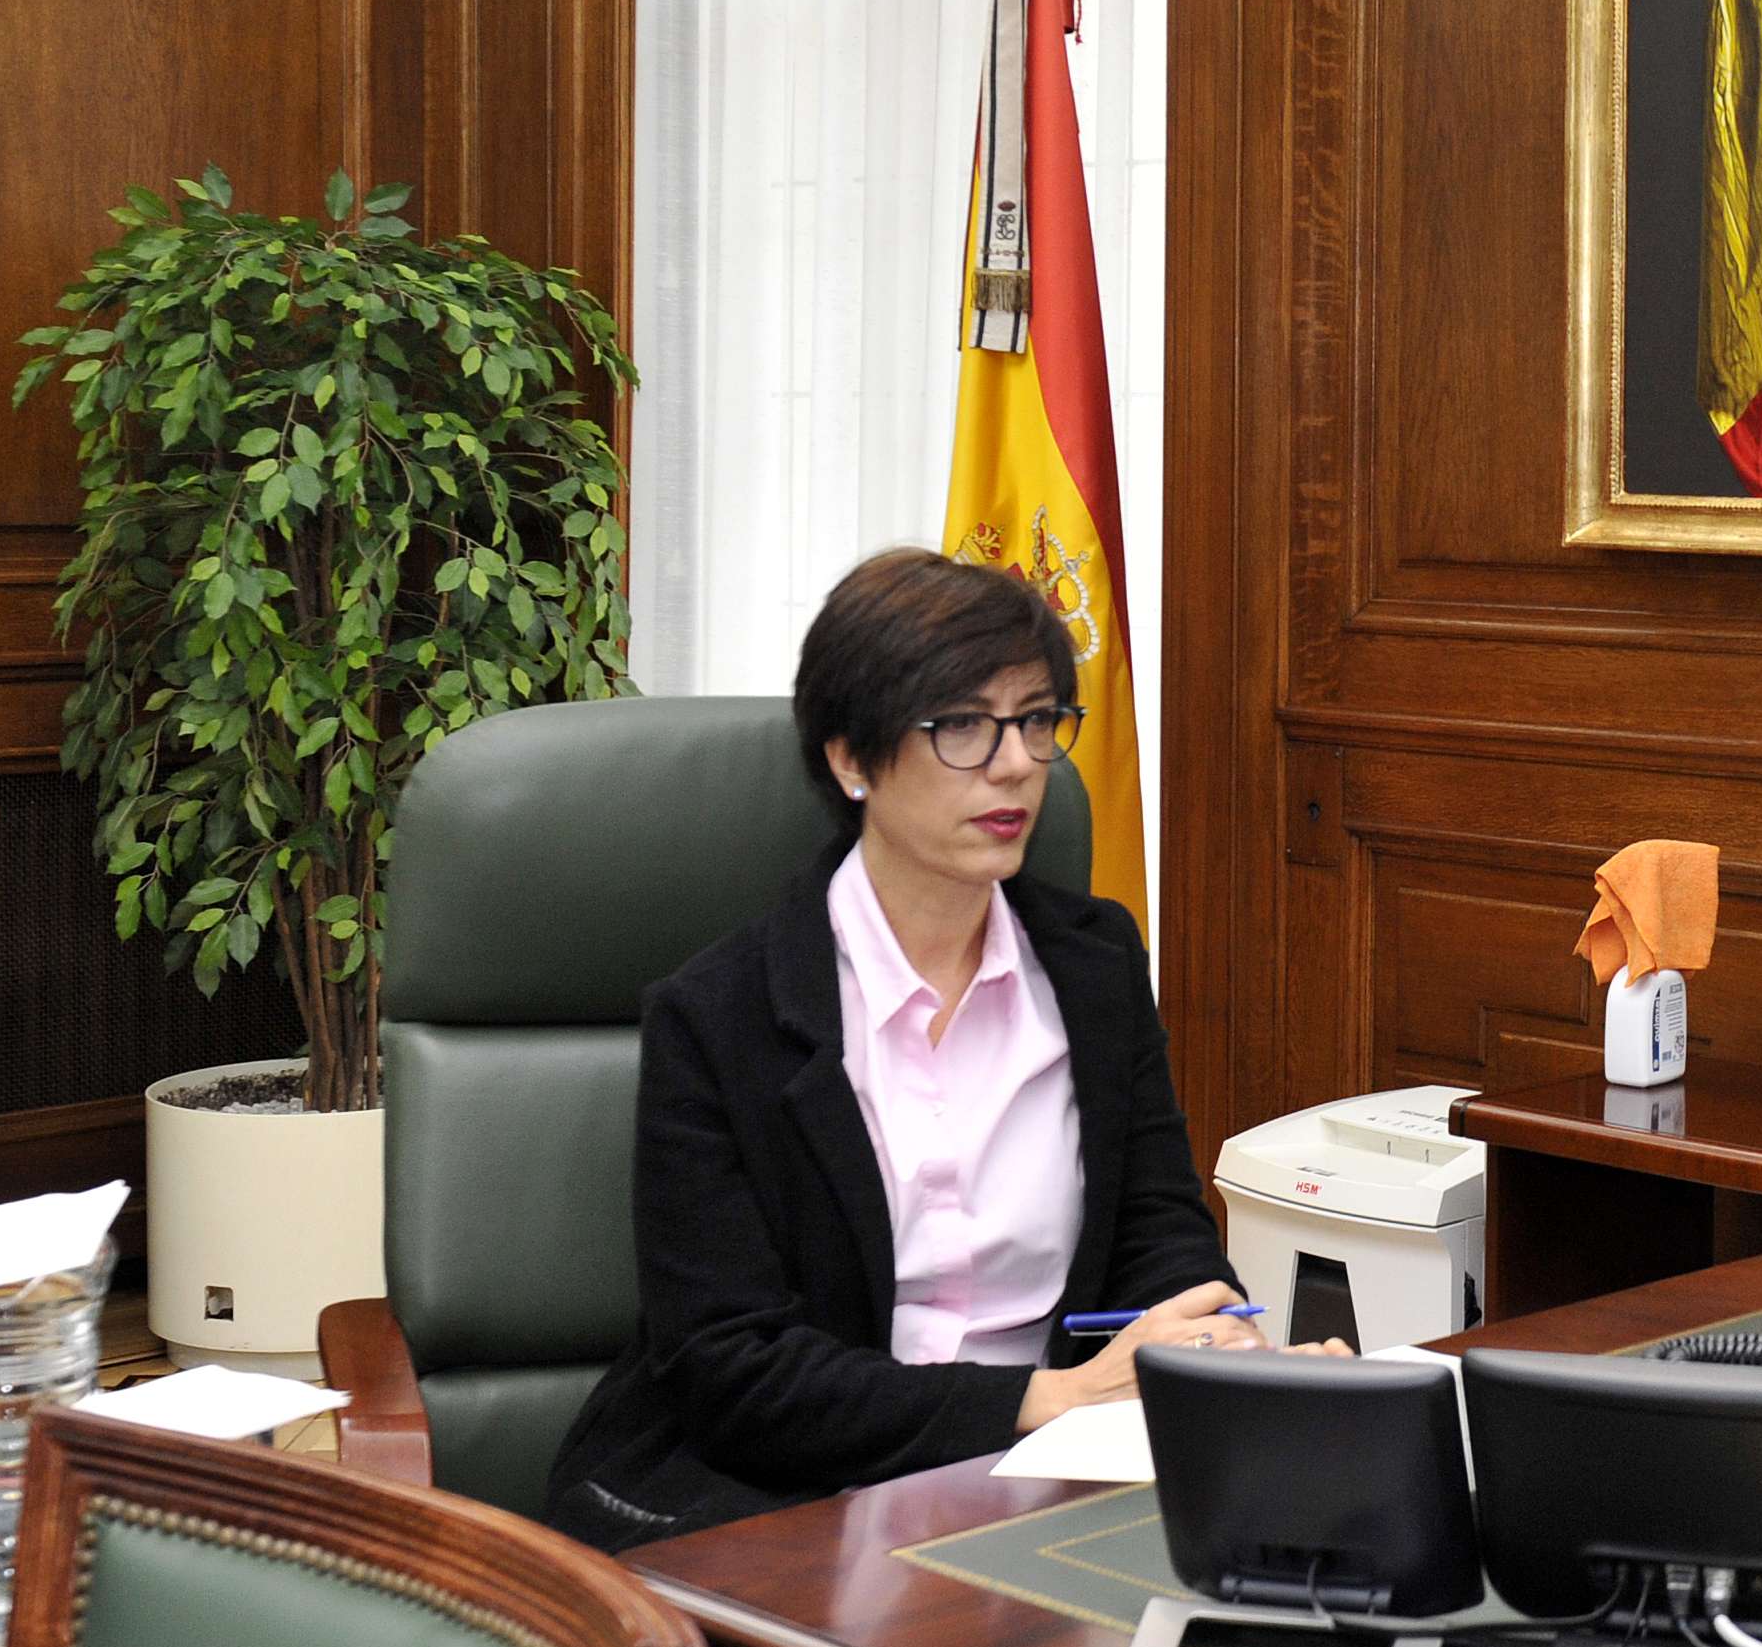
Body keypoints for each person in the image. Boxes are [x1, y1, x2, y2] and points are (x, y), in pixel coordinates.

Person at [547, 547, 1284, 1548]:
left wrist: (1209, 1342)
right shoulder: (720, 1015)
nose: (1017, 761)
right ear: (850, 759)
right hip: (787, 1495)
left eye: (1034, 720)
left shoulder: (1092, 965)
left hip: (1051, 1486)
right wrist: (1042, 1400)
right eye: (964, 727)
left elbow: (1156, 1232)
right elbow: (731, 1370)